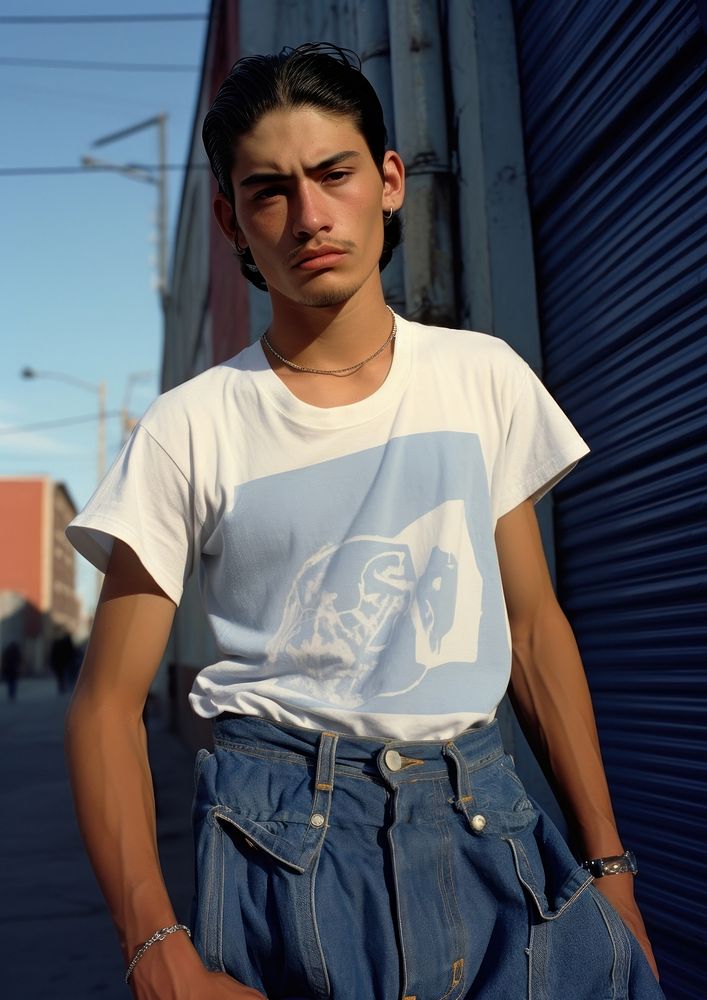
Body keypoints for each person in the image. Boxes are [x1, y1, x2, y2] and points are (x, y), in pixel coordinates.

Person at [65, 43, 665, 1000]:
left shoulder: (481, 376)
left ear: (387, 180)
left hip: (491, 830)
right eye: (268, 191)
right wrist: (153, 948)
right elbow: (104, 706)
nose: (308, 216)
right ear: (228, 218)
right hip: (284, 849)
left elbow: (530, 627)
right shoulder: (190, 427)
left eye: (333, 174)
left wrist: (610, 872)